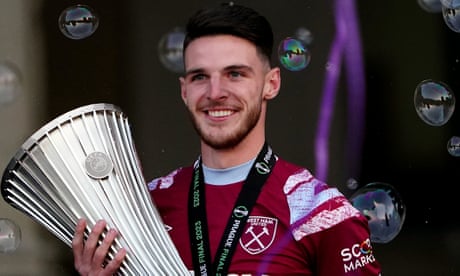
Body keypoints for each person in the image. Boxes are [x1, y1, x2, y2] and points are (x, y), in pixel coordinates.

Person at [72, 2, 382, 275]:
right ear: (184, 90)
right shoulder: (144, 208)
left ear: (271, 84)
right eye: (200, 77)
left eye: (235, 74)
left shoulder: (322, 213)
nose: (215, 92)